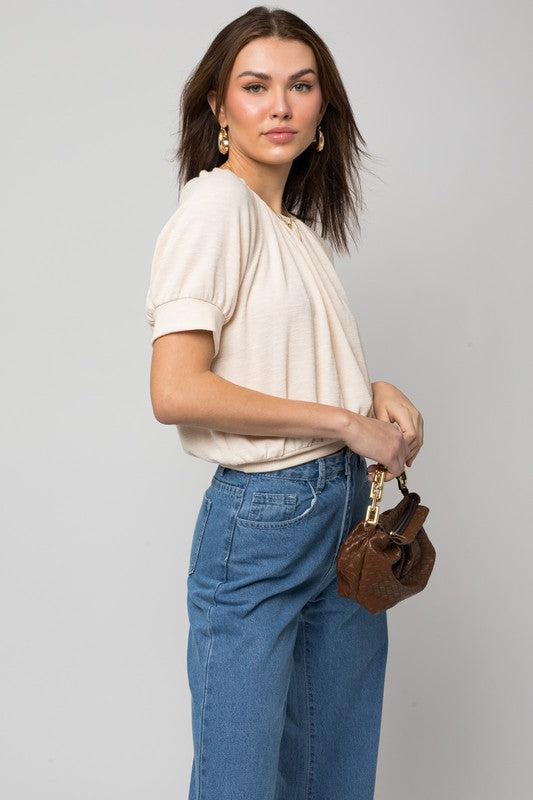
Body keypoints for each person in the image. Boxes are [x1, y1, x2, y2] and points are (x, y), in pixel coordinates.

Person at [144, 7, 424, 800]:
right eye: (255, 85)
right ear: (216, 107)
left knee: (332, 776)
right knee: (238, 780)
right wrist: (343, 420)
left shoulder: (290, 229)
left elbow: (275, 358)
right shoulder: (215, 208)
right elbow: (176, 389)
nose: (280, 105)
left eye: (300, 86)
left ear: (322, 108)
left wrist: (372, 392)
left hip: (341, 511)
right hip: (264, 520)